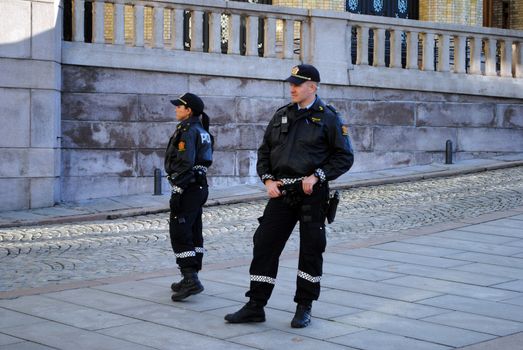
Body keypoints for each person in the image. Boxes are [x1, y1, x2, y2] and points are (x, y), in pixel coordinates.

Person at [224, 64, 354, 328]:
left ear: (313, 87)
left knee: (311, 250)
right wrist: (268, 179)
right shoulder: (281, 115)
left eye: (298, 83)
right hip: (281, 192)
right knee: (264, 244)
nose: (292, 88)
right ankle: (255, 305)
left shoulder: (328, 117)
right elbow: (264, 152)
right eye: (291, 83)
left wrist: (317, 175)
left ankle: (304, 306)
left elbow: (344, 157)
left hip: (312, 194)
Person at [164, 93, 213, 301]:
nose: (176, 109)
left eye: (179, 107)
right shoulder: (200, 129)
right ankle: (189, 276)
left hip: (188, 187)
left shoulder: (188, 130)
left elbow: (185, 163)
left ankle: (191, 279)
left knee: (180, 230)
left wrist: (177, 188)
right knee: (193, 229)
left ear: (189, 110)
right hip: (198, 187)